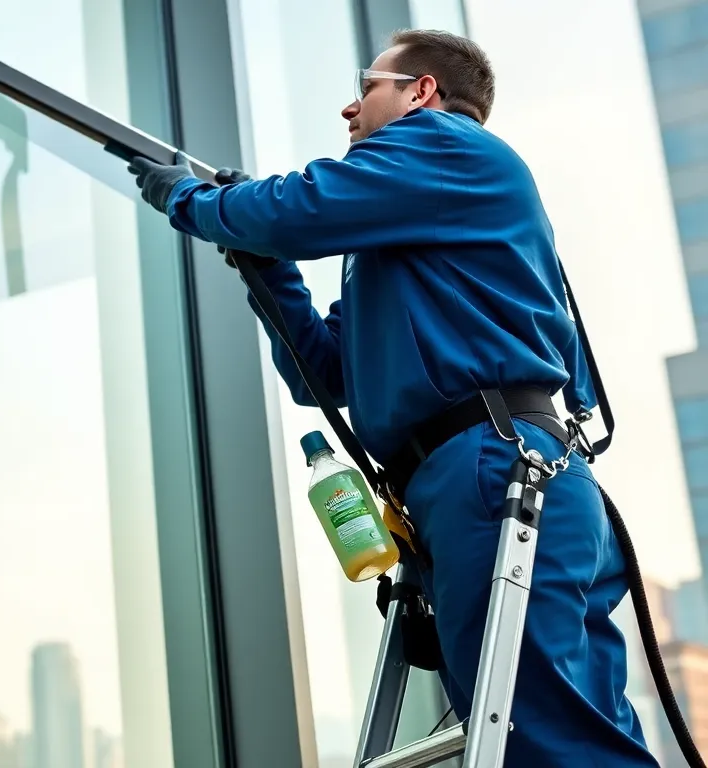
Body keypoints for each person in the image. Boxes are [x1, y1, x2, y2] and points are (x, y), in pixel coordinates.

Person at [128, 28, 660, 767]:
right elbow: (326, 373)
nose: (349, 108)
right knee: (571, 733)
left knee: (542, 740)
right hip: (485, 478)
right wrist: (261, 256)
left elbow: (294, 208)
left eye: (367, 86)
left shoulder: (446, 144)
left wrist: (195, 202)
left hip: (494, 470)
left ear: (422, 93)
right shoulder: (406, 234)